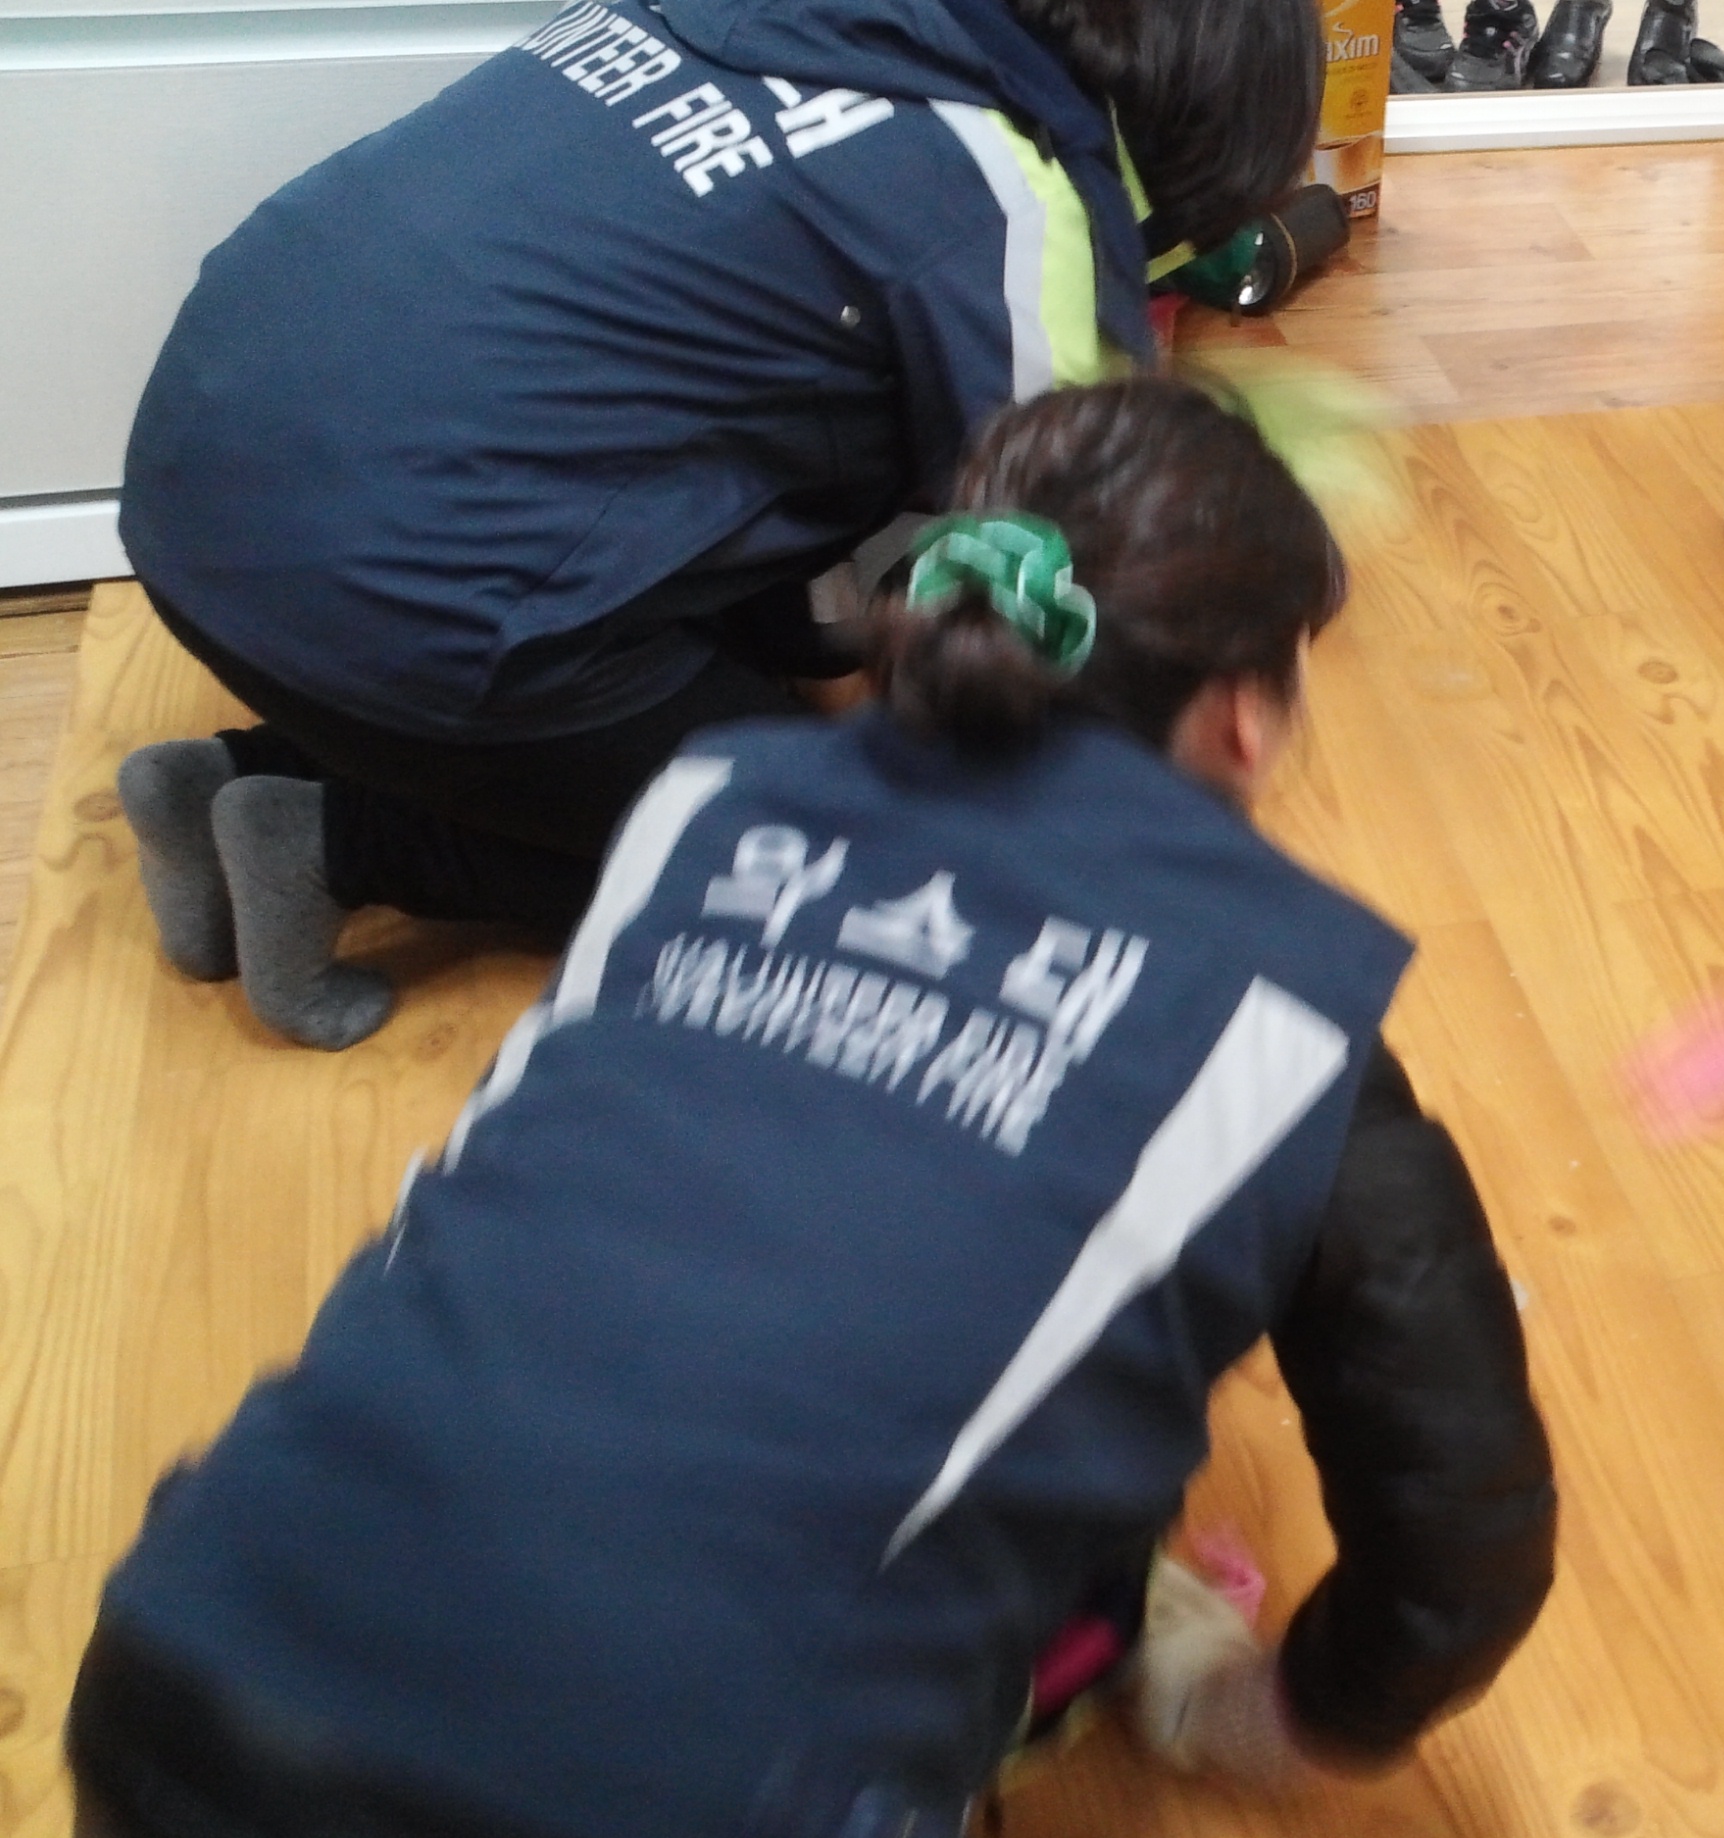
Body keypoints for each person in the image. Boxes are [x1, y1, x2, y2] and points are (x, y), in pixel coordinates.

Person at [66, 378, 1560, 1838]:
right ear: (1248, 714)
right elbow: (1464, 1551)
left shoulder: (708, 800)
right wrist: (1266, 1716)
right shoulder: (1276, 1022)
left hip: (173, 1724)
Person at [110, 0, 1323, 1051]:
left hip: (191, 490)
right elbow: (1080, 542)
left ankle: (229, 772)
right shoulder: (1006, 192)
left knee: (734, 623)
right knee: (868, 862)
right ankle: (333, 840)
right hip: (400, 585)